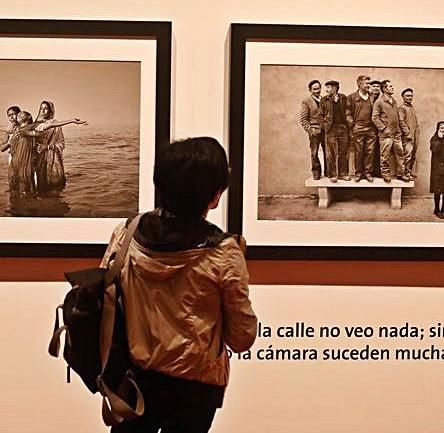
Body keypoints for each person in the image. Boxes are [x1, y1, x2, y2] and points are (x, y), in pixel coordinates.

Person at [101, 137, 258, 433]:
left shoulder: (127, 232)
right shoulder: (224, 252)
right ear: (215, 196)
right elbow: (242, 338)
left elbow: (106, 300)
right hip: (195, 388)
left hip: (133, 378)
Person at [371, 79, 409, 183]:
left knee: (400, 154)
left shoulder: (394, 101)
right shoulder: (379, 102)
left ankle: (401, 174)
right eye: (390, 86)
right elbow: (375, 118)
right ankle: (385, 174)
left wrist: (400, 130)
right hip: (385, 135)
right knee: (385, 155)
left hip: (396, 134)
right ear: (384, 89)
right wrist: (384, 129)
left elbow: (397, 117)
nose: (392, 88)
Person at [346, 75, 378, 182]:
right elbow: (348, 113)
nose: (369, 86)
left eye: (369, 83)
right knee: (358, 151)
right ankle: (358, 173)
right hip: (358, 127)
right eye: (367, 84)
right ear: (359, 84)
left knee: (370, 151)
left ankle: (368, 172)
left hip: (371, 129)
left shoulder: (372, 97)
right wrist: (353, 124)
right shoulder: (352, 97)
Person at [318, 80, 350, 182]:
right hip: (330, 129)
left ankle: (343, 174)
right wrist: (324, 126)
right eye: (326, 87)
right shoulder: (324, 100)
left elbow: (348, 112)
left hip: (343, 128)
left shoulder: (343, 98)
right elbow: (320, 116)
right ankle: (332, 175)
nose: (327, 90)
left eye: (329, 87)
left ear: (335, 88)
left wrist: (348, 125)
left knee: (344, 152)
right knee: (330, 153)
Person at [300, 79, 326, 179]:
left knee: (327, 152)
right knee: (314, 153)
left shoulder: (324, 99)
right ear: (310, 90)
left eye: (318, 88)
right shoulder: (306, 101)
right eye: (314, 89)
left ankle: (328, 172)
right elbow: (303, 120)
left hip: (325, 130)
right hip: (314, 131)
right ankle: (316, 172)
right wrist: (311, 130)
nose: (317, 91)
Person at [398, 88, 419, 180]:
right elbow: (401, 121)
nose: (410, 97)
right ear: (403, 97)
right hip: (407, 136)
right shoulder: (401, 108)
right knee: (407, 155)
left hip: (414, 135)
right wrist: (407, 133)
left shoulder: (412, 108)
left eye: (411, 96)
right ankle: (404, 173)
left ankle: (409, 171)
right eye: (407, 96)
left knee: (413, 154)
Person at [430, 121, 444, 219]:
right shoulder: (434, 139)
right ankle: (436, 209)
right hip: (437, 170)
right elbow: (434, 150)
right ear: (438, 129)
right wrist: (439, 138)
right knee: (437, 191)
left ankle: (443, 210)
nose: (443, 130)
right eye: (441, 128)